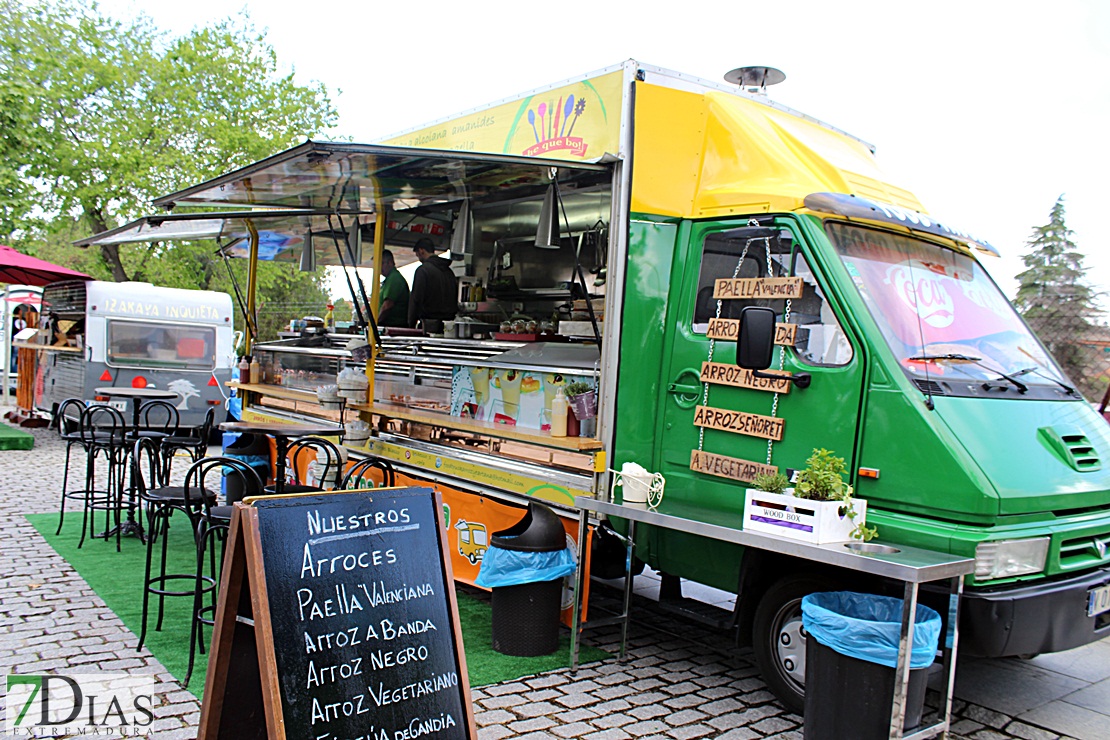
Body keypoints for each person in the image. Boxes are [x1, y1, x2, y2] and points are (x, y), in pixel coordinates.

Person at [408, 237, 458, 331]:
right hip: (449, 328)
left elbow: (416, 299)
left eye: (417, 255)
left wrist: (411, 325)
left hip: (428, 326)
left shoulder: (423, 270)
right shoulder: (449, 272)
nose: (418, 258)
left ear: (421, 251)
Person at [378, 249, 410, 327]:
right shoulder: (390, 279)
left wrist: (375, 323)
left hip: (393, 327)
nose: (379, 267)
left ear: (390, 262)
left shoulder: (394, 278)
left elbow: (387, 305)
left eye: (381, 263)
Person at [10, 307, 26, 373]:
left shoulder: (18, 320)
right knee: (16, 354)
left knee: (16, 354)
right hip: (17, 338)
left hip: (17, 338)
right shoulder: (16, 320)